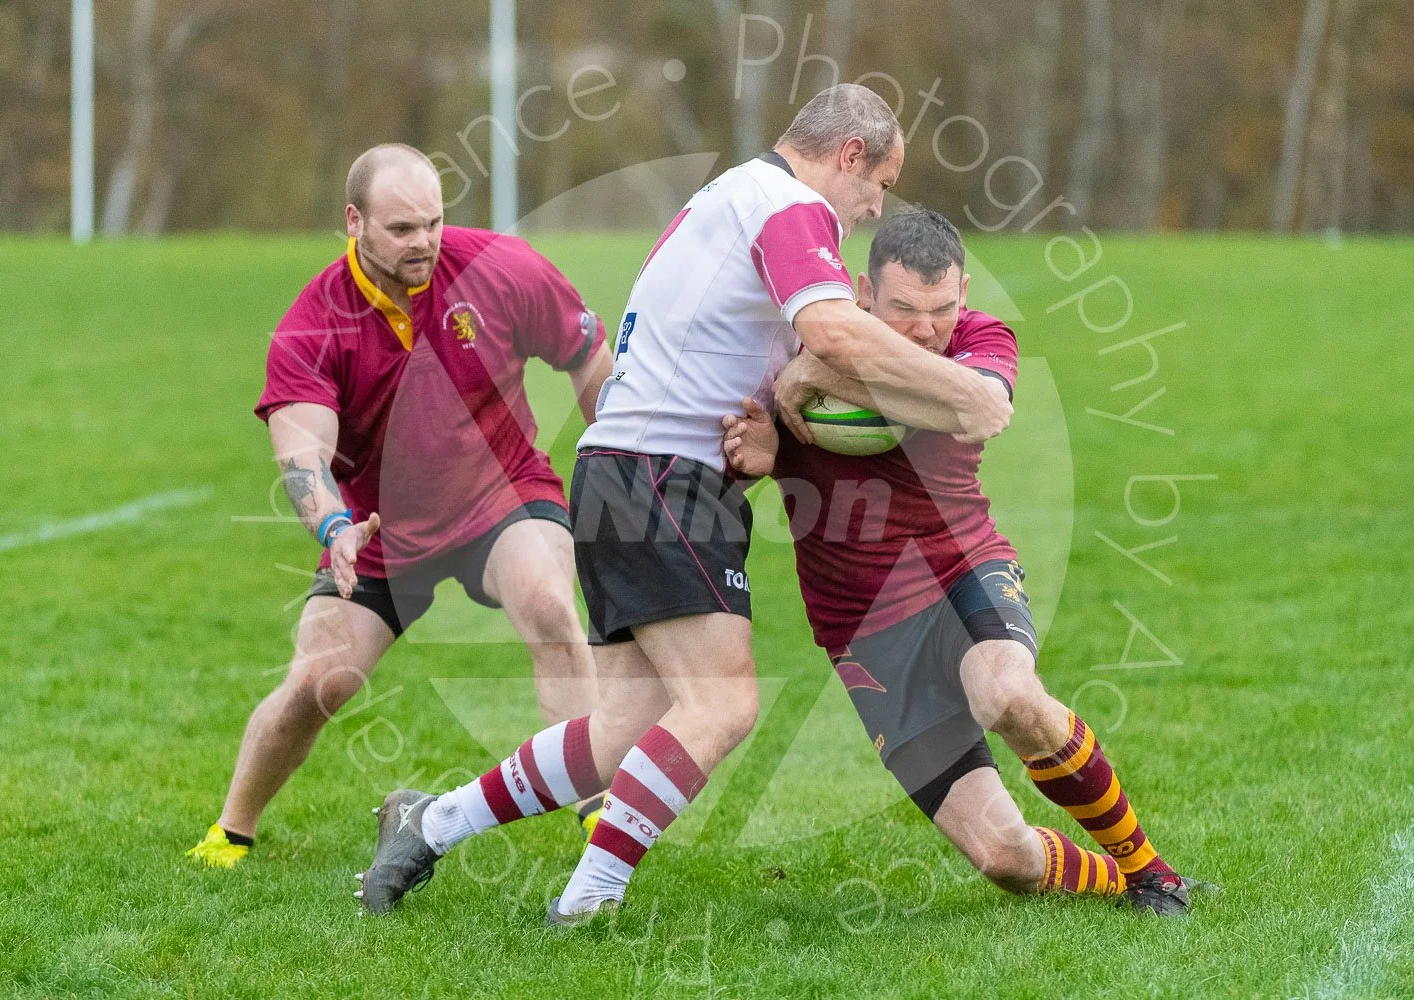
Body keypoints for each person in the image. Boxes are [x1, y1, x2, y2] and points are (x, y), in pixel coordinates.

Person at [353, 84, 1009, 922]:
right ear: (849, 156)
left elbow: (782, 355)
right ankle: (588, 899)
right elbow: (837, 335)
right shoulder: (789, 206)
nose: (874, 209)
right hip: (665, 473)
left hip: (624, 467)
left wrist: (783, 406)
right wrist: (965, 394)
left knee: (623, 725)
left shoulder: (731, 193)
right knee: (723, 701)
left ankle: (430, 821)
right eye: (877, 187)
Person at [721, 208, 1196, 914]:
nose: (923, 330)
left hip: (959, 571)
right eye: (904, 309)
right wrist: (756, 454)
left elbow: (979, 409)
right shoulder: (796, 346)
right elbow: (743, 446)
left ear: (965, 295)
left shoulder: (980, 340)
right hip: (861, 628)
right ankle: (1112, 880)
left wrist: (814, 375)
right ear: (861, 294)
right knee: (1005, 860)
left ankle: (1150, 871)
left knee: (1005, 693)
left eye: (941, 309)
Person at [186, 143, 611, 868]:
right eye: (402, 229)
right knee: (318, 683)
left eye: (433, 223)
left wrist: (614, 464)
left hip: (501, 495)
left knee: (547, 602)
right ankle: (231, 832)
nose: (424, 243)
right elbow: (302, 454)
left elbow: (588, 356)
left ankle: (600, 813)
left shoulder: (501, 268)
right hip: (379, 530)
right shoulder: (312, 323)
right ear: (354, 222)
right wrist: (332, 525)